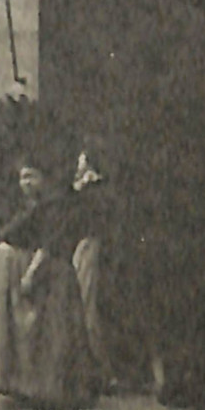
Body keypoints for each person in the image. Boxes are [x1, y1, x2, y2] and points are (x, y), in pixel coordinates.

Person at [0, 162, 100, 410]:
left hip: (52, 274)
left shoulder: (57, 205)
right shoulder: (32, 206)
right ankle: (27, 386)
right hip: (38, 270)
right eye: (22, 178)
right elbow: (11, 232)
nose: (26, 183)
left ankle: (51, 391)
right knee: (33, 338)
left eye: (31, 177)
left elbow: (51, 244)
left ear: (45, 178)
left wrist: (32, 273)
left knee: (51, 335)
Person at [69, 151, 116, 386]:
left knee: (88, 308)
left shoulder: (94, 193)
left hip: (91, 247)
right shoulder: (87, 191)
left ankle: (101, 371)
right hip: (85, 246)